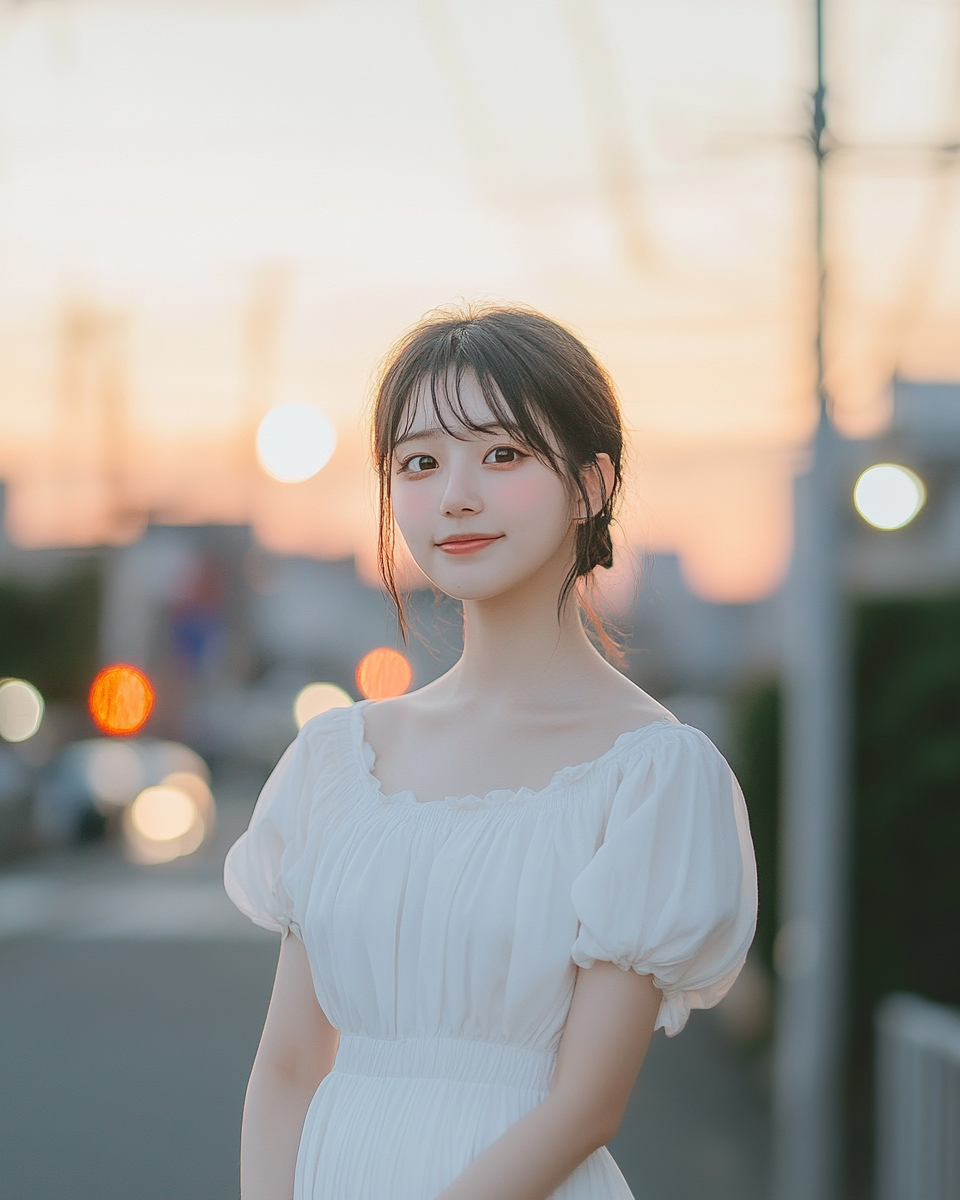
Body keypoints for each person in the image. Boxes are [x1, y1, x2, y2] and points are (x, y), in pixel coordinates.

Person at [224, 305, 757, 1200]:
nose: (454, 495)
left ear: (591, 486)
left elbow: (586, 1106)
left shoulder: (651, 773)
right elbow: (286, 1065)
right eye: (419, 463)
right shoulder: (337, 758)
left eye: (502, 455)